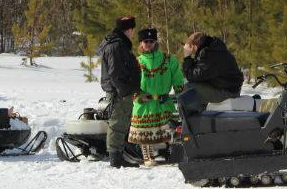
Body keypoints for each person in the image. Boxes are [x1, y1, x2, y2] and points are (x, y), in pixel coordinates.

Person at [128, 28, 184, 167]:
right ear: (141, 43)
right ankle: (148, 156)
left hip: (163, 101)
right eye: (145, 41)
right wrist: (138, 95)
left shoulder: (169, 59)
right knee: (144, 133)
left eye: (151, 41)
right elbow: (130, 81)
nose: (148, 44)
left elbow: (177, 79)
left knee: (171, 128)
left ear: (155, 42)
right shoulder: (136, 62)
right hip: (144, 103)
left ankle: (171, 154)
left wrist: (181, 95)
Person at [98, 16, 141, 168]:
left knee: (121, 122)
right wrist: (123, 91)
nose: (133, 34)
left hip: (121, 90)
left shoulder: (118, 44)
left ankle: (119, 154)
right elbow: (115, 72)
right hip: (119, 92)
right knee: (118, 123)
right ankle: (115, 158)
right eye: (132, 30)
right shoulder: (116, 46)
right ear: (128, 30)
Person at [182, 32, 244, 110]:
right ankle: (201, 115)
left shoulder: (208, 54)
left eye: (190, 47)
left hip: (228, 93)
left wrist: (187, 57)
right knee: (195, 85)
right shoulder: (214, 49)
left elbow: (191, 76)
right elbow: (199, 74)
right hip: (228, 89)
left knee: (187, 87)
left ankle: (188, 121)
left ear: (194, 46)